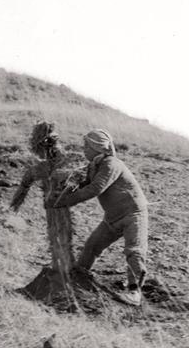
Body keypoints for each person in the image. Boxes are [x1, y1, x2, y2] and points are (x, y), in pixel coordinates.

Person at [50, 129, 149, 306]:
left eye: (87, 146)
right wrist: (63, 186)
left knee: (134, 251)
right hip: (112, 217)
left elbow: (95, 188)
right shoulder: (94, 166)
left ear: (98, 147)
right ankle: (77, 278)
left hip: (133, 214)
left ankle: (135, 292)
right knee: (91, 247)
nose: (84, 149)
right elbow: (81, 182)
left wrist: (66, 201)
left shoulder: (111, 164)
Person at [10, 121, 81, 281]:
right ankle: (61, 269)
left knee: (60, 236)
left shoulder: (60, 162)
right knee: (57, 236)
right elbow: (26, 181)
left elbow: (26, 182)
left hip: (59, 206)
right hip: (53, 206)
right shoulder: (44, 166)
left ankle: (65, 271)